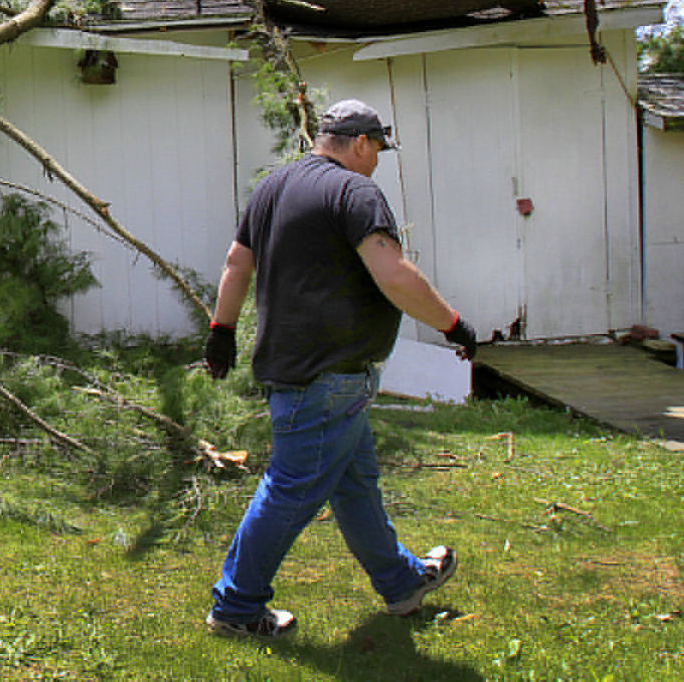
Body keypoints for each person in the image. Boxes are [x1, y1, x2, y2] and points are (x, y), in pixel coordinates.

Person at [202, 98, 478, 638]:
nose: (376, 160)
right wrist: (453, 325)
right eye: (376, 149)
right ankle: (235, 608)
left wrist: (221, 331)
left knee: (355, 484)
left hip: (296, 369)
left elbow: (237, 263)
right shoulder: (355, 190)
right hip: (329, 375)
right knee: (289, 489)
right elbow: (393, 275)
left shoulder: (272, 188)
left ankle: (402, 584)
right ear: (359, 142)